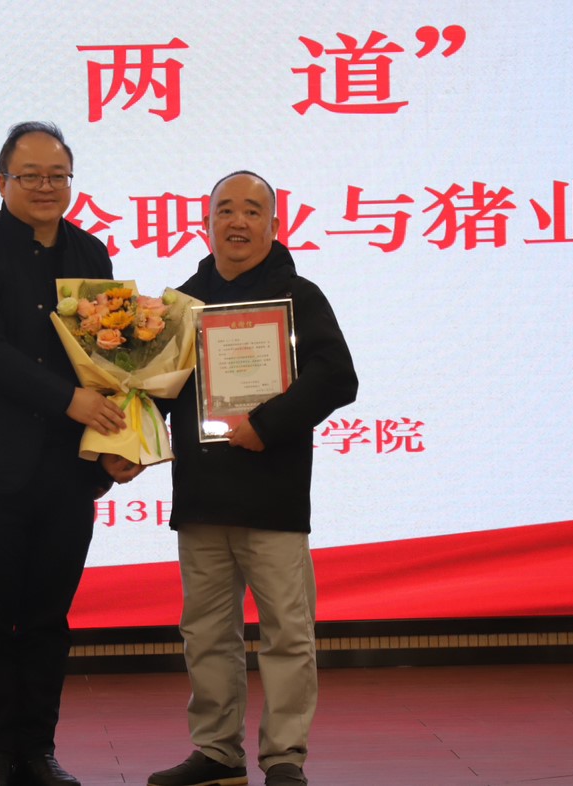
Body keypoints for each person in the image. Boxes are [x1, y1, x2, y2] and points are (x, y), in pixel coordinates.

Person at [0, 121, 140, 786]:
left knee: (47, 618)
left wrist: (121, 440)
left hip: (66, 469)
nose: (46, 187)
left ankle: (38, 749)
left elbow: (111, 356)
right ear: (2, 182)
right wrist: (67, 400)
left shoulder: (90, 253)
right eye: (31, 176)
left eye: (57, 176)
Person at [148, 171, 358, 786]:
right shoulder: (182, 303)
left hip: (273, 494)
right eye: (225, 210)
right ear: (206, 222)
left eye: (251, 211)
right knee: (206, 634)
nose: (237, 222)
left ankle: (284, 756)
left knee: (287, 633)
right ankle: (216, 751)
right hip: (202, 496)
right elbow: (156, 390)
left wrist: (266, 423)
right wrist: (126, 442)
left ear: (273, 224)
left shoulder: (299, 296)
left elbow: (336, 377)